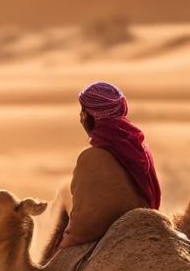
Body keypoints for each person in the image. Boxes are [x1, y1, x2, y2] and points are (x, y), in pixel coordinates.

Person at [57, 82, 160, 249]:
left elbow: (84, 221)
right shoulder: (140, 149)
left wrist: (65, 242)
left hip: (116, 239)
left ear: (90, 117)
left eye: (83, 111)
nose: (81, 117)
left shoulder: (91, 158)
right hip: (148, 227)